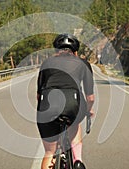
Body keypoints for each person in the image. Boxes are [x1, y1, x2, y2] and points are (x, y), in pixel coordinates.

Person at [36, 33, 95, 169]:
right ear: (75, 52)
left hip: (47, 104)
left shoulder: (47, 63)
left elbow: (38, 95)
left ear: (57, 51)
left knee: (49, 152)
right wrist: (88, 110)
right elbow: (90, 97)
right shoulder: (83, 64)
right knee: (74, 123)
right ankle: (78, 160)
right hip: (72, 104)